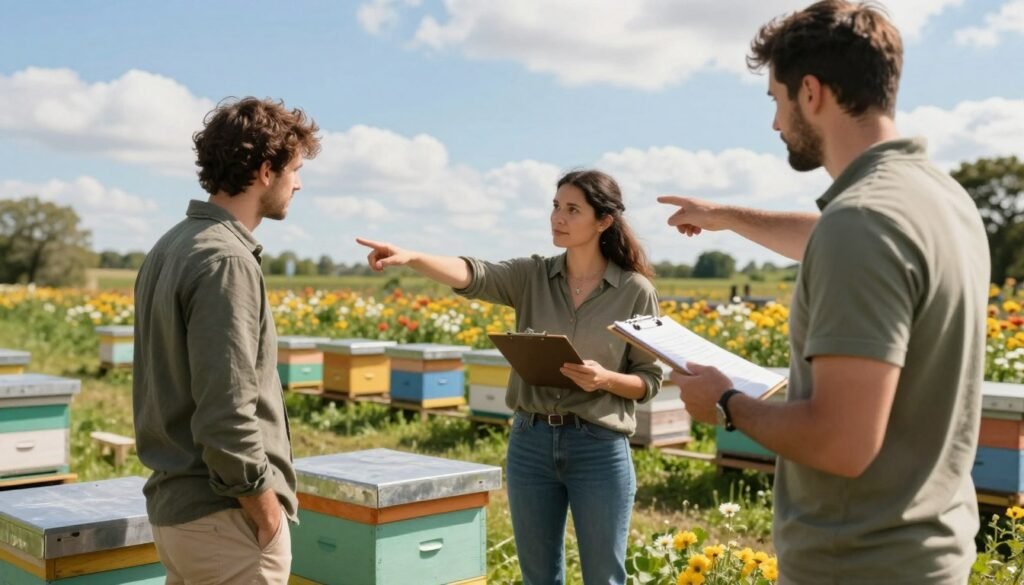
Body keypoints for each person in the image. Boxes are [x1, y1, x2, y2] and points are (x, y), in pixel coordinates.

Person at [659, 1, 990, 583]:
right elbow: (839, 238)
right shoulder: (940, 199)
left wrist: (726, 403)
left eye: (776, 100)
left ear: (810, 92)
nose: (775, 123)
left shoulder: (861, 224)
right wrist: (727, 217)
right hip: (929, 551)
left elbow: (843, 443)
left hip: (857, 562)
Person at [357, 169, 662, 584]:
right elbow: (472, 274)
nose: (558, 217)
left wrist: (605, 379)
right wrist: (412, 257)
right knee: (538, 577)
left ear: (603, 221)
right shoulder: (531, 275)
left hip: (599, 449)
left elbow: (648, 380)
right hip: (530, 444)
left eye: (573, 210)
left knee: (604, 577)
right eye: (556, 206)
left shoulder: (634, 290)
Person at [133, 97, 320, 584]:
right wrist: (266, 514)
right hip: (226, 520)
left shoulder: (171, 244)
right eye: (295, 169)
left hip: (182, 513)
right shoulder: (227, 260)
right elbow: (226, 413)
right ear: (264, 170)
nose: (298, 183)